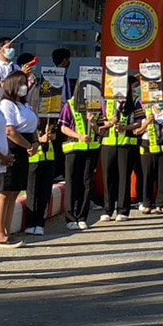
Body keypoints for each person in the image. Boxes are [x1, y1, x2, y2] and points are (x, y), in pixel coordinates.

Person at [0, 73, 26, 249]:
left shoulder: (21, 104)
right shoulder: (4, 104)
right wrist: (26, 145)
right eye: (22, 83)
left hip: (19, 150)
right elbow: (8, 130)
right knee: (4, 192)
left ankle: (7, 231)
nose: (25, 87)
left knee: (13, 192)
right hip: (8, 150)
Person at [98, 75, 144, 222]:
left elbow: (139, 122)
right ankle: (107, 209)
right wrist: (110, 123)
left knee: (124, 177)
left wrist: (126, 127)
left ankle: (123, 210)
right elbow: (100, 123)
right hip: (108, 144)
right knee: (108, 177)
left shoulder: (135, 101)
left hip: (127, 145)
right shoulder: (107, 102)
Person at [14, 75, 54, 236]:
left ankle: (40, 222)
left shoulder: (51, 115)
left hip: (48, 155)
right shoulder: (29, 111)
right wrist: (39, 140)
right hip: (33, 156)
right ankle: (31, 222)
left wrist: (51, 136)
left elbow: (57, 133)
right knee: (32, 192)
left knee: (45, 191)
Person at [60, 79, 100, 230]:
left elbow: (100, 130)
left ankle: (82, 216)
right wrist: (79, 136)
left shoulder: (95, 105)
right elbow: (63, 127)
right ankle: (70, 217)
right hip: (73, 148)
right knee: (72, 182)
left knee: (87, 182)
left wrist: (93, 122)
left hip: (90, 149)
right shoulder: (69, 105)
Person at [138, 91, 163, 216]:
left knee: (162, 176)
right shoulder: (145, 112)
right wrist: (147, 122)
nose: (161, 101)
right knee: (147, 176)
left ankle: (160, 204)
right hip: (148, 145)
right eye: (158, 98)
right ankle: (147, 204)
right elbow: (137, 131)